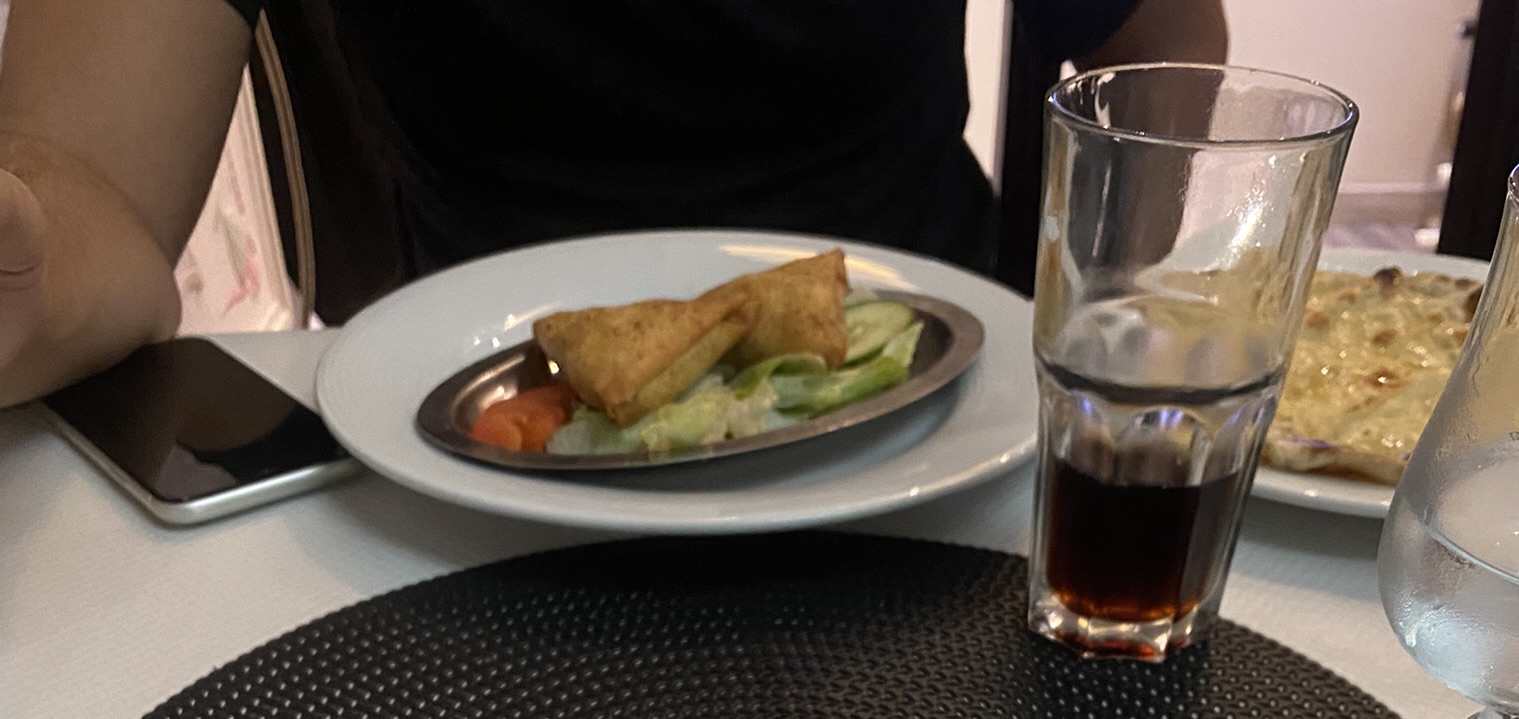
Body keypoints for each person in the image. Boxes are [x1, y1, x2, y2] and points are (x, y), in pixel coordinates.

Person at [0, 0, 1225, 407]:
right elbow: (79, 184)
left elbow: (1162, 55)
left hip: (927, 413)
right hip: (482, 450)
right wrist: (24, 257)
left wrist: (1087, 376)